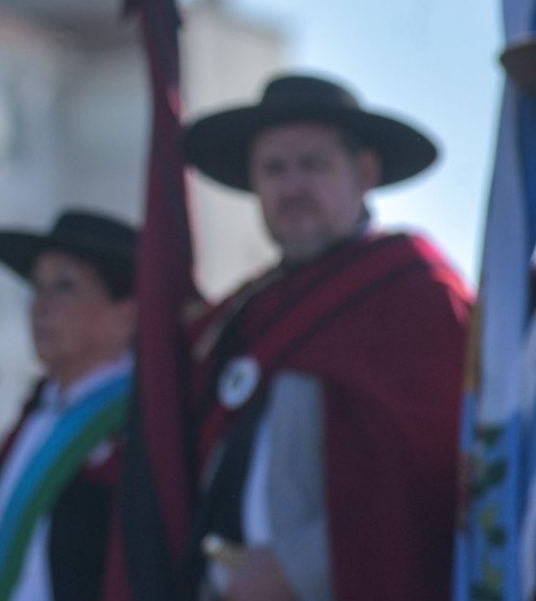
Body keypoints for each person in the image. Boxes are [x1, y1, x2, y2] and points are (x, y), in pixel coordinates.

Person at [181, 73, 471, 601]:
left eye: (312, 165)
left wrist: (297, 570)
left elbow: (434, 475)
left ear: (364, 173)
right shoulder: (247, 312)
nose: (292, 188)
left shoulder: (416, 299)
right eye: (274, 170)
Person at [0, 210, 138, 601]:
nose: (41, 306)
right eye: (37, 287)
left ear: (126, 315)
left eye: (65, 286)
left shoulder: (142, 422)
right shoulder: (33, 420)